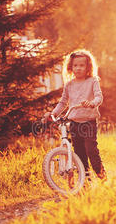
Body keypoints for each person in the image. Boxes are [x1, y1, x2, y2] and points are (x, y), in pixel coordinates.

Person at [44, 49, 106, 182]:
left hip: (89, 122)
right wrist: (53, 113)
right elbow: (63, 102)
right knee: (79, 153)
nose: (78, 68)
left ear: (88, 67)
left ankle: (102, 177)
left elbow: (98, 97)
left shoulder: (92, 81)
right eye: (75, 65)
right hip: (74, 123)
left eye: (82, 65)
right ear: (70, 67)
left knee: (91, 151)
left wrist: (91, 103)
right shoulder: (69, 85)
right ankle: (85, 181)